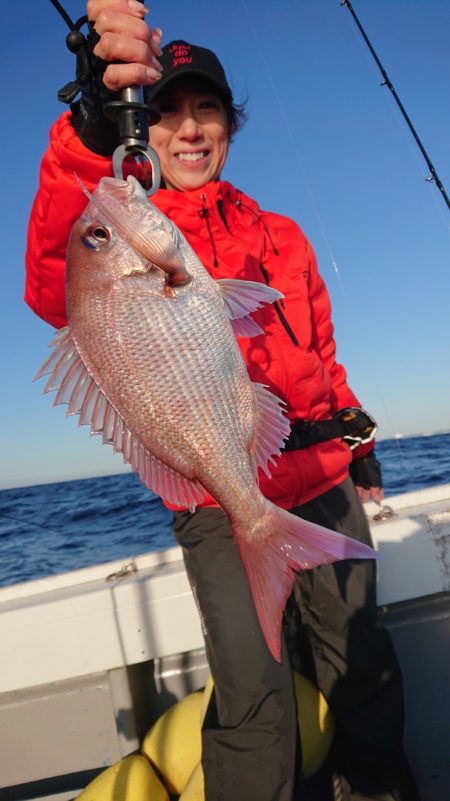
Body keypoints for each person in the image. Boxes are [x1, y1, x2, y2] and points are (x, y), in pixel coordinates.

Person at [25, 2, 420, 800]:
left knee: (362, 661)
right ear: (147, 136)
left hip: (321, 478)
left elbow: (322, 357)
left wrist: (362, 445)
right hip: (220, 497)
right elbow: (51, 280)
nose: (190, 129)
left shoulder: (283, 234)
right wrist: (88, 141)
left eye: (207, 108)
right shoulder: (130, 226)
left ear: (230, 124)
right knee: (255, 694)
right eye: (167, 113)